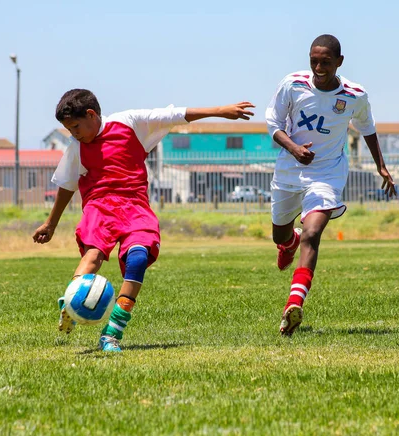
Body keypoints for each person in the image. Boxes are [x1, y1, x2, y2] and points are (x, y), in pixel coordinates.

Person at [33, 89, 255, 352]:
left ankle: (112, 332)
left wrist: (220, 111)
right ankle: (71, 304)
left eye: (76, 127)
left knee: (138, 258)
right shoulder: (77, 148)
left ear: (92, 115)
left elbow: (174, 115)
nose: (73, 134)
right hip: (99, 207)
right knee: (93, 255)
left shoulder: (129, 123)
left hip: (135, 206)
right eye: (69, 129)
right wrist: (51, 223)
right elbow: (67, 186)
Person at [265, 34, 397, 336]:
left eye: (326, 61)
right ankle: (288, 242)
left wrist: (381, 165)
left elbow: (368, 129)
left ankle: (293, 304)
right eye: (314, 60)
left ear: (339, 61)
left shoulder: (354, 94)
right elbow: (273, 124)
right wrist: (294, 148)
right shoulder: (293, 84)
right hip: (288, 172)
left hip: (327, 174)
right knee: (280, 233)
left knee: (313, 233)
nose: (319, 66)